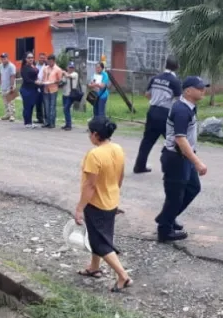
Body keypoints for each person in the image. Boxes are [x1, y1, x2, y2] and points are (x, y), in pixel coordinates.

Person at [75, 116, 132, 292]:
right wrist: (113, 193)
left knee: (100, 243)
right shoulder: (118, 148)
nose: (88, 136)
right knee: (98, 236)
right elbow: (120, 176)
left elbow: (90, 185)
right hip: (111, 200)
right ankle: (94, 267)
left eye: (89, 132)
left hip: (97, 203)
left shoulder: (94, 155)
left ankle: (123, 276)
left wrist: (79, 208)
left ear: (95, 134)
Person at [156, 76, 209, 242]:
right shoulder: (181, 110)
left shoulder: (189, 107)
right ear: (188, 90)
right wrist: (197, 162)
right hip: (176, 158)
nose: (203, 90)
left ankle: (167, 217)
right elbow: (180, 139)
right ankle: (164, 231)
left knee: (193, 188)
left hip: (183, 156)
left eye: (203, 87)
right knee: (175, 196)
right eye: (199, 88)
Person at [133, 56, 182, 173]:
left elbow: (147, 94)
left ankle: (139, 166)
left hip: (152, 110)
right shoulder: (175, 81)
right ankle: (178, 168)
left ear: (165, 65)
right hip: (165, 113)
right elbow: (179, 99)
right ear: (177, 67)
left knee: (147, 141)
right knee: (174, 141)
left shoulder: (155, 78)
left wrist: (156, 98)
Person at [39, 54, 63, 129]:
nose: (50, 63)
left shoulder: (58, 69)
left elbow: (60, 81)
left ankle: (52, 123)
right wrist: (42, 82)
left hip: (53, 89)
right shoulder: (45, 68)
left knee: (52, 106)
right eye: (48, 61)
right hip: (46, 89)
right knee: (46, 106)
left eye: (51, 61)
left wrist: (54, 81)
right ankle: (47, 122)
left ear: (54, 61)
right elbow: (43, 78)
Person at [20, 53, 41, 129]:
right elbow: (26, 79)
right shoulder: (24, 68)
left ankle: (30, 121)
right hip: (26, 89)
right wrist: (35, 82)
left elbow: (35, 75)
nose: (31, 59)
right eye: (29, 58)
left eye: (32, 57)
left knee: (32, 105)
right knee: (27, 106)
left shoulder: (33, 66)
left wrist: (38, 80)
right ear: (26, 59)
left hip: (34, 89)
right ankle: (27, 122)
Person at [61, 62, 80, 131]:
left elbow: (69, 76)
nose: (71, 69)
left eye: (72, 67)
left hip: (71, 94)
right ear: (67, 67)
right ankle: (67, 124)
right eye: (69, 67)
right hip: (64, 94)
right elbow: (62, 82)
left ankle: (69, 125)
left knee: (66, 109)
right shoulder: (65, 74)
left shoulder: (75, 74)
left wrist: (63, 72)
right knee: (65, 110)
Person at [0, 53, 17, 122]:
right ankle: (7, 114)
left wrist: (12, 86)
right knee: (5, 101)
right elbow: (0, 74)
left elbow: (13, 76)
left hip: (10, 85)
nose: (3, 59)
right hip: (3, 85)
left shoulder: (11, 66)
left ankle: (12, 115)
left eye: (4, 58)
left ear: (7, 58)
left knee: (11, 101)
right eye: (2, 58)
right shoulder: (0, 66)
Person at [34, 53, 47, 124]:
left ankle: (46, 118)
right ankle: (39, 118)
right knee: (38, 102)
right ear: (38, 58)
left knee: (45, 103)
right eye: (41, 58)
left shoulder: (46, 66)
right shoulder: (35, 65)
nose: (42, 59)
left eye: (43, 58)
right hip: (36, 85)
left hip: (44, 85)